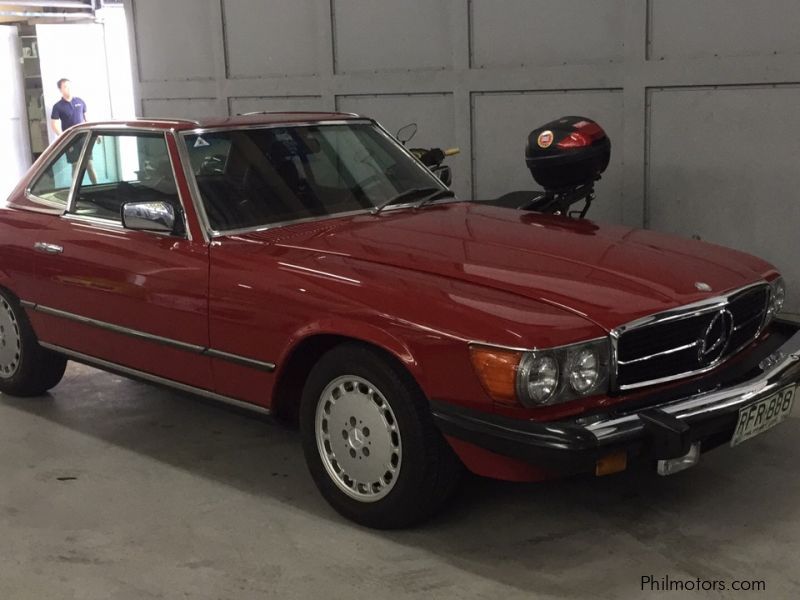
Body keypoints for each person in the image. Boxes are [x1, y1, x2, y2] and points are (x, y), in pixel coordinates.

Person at [50, 78, 97, 184]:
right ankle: (75, 191)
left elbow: (87, 119)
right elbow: (54, 125)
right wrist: (64, 138)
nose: (68, 88)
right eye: (65, 86)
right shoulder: (57, 107)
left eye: (69, 86)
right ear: (60, 89)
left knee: (89, 164)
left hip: (84, 138)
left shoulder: (80, 102)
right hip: (71, 140)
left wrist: (96, 134)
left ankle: (96, 186)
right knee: (75, 166)